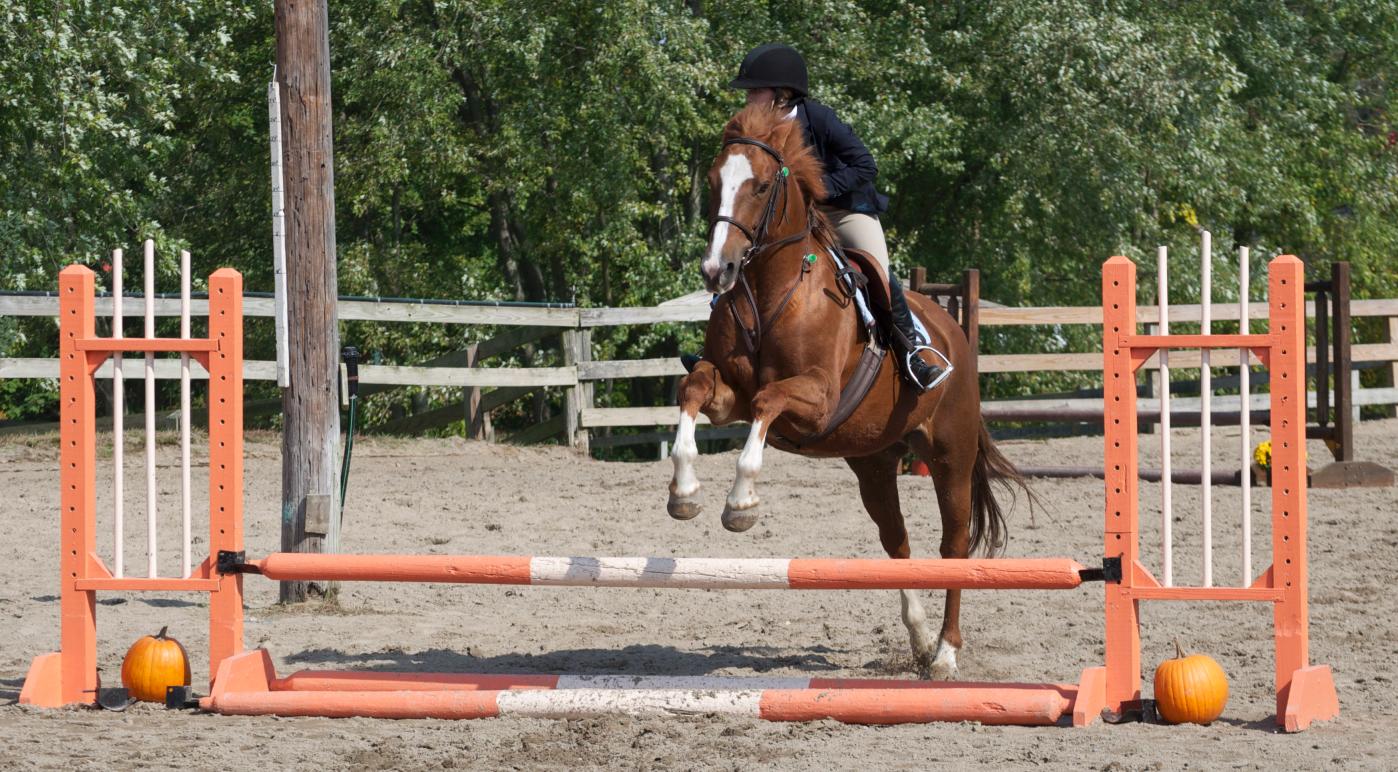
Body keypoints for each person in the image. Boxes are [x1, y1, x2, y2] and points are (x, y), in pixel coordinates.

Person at [700, 42, 949, 391]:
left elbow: (865, 165)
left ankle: (913, 353)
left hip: (844, 211)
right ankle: (715, 351)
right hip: (789, 221)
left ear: (782, 93)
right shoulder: (749, 130)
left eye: (755, 90)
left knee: (878, 270)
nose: (749, 97)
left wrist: (818, 188)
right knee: (740, 260)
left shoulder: (818, 118)